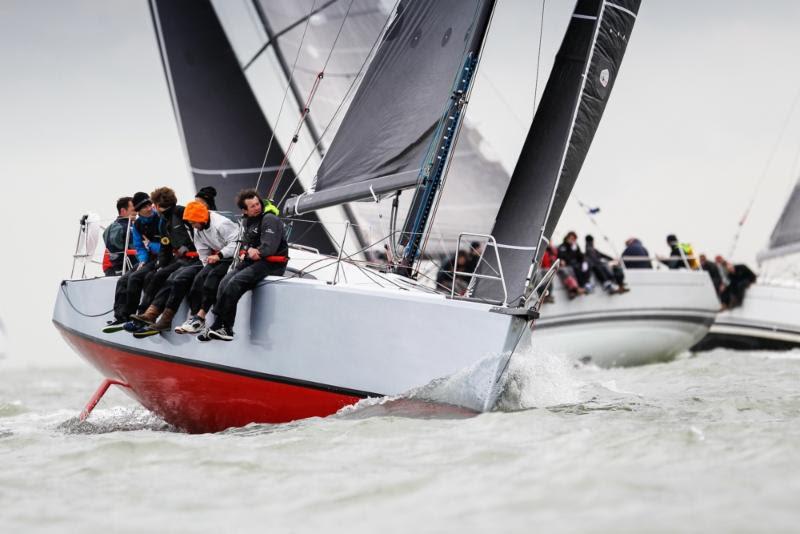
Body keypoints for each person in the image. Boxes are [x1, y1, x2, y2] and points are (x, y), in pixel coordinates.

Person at [200, 190, 289, 341]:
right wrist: (247, 252)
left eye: (257, 204)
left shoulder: (269, 219)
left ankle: (226, 328)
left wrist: (256, 251)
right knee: (224, 281)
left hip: (272, 263)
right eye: (252, 206)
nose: (257, 207)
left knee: (235, 282)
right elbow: (246, 246)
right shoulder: (247, 221)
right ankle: (217, 325)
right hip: (254, 261)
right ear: (244, 210)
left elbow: (268, 249)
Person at [128, 187, 199, 332]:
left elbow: (198, 231)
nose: (152, 207)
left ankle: (163, 319)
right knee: (159, 274)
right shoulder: (163, 221)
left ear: (159, 205)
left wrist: (189, 247)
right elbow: (165, 247)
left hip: (197, 258)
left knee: (173, 278)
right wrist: (161, 264)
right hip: (182, 259)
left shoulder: (181, 212)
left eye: (153, 204)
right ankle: (147, 314)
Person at [174, 201, 239, 334]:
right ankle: (195, 318)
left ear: (201, 219)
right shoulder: (198, 227)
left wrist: (219, 255)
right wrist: (206, 267)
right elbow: (202, 249)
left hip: (233, 256)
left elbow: (236, 243)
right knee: (199, 279)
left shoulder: (222, 224)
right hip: (219, 257)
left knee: (212, 279)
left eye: (193, 223)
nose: (192, 226)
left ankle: (201, 316)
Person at [103, 192, 162, 332]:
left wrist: (150, 246)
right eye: (141, 207)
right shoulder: (137, 224)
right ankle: (122, 317)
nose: (147, 209)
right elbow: (139, 246)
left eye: (149, 205)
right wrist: (142, 260)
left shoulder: (160, 219)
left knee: (141, 278)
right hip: (148, 258)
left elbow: (168, 245)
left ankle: (142, 316)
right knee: (123, 280)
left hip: (163, 257)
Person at [101, 196, 138, 276]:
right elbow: (116, 250)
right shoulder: (122, 227)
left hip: (124, 269)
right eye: (133, 210)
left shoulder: (131, 226)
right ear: (123, 211)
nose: (136, 212)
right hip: (126, 269)